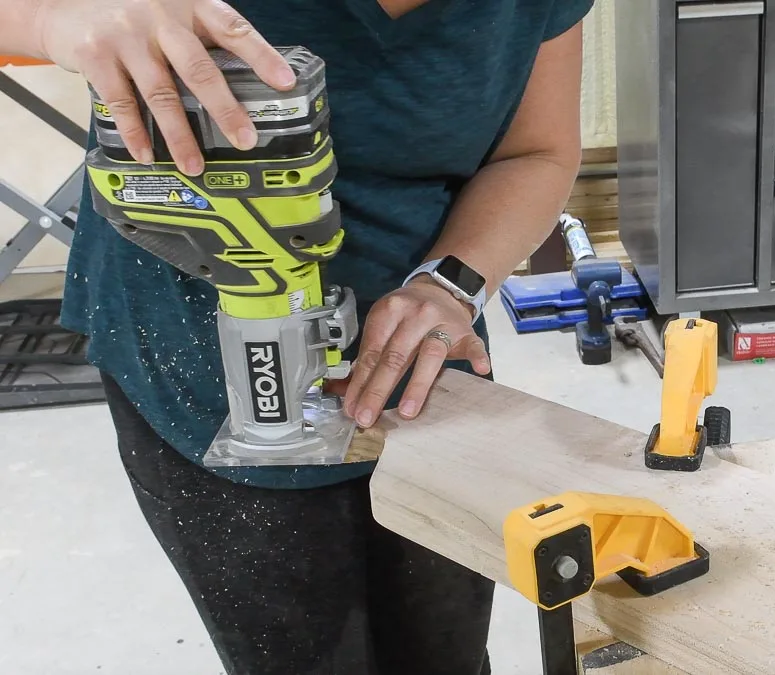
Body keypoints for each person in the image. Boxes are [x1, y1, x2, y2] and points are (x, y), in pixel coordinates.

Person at [0, 0, 592, 672]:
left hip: (423, 370)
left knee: (445, 652)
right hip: (191, 369)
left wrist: (449, 282)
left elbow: (537, 152)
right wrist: (50, 19)